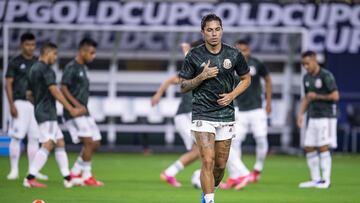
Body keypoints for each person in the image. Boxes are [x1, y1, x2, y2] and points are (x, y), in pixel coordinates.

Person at [179, 14, 251, 203]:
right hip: (202, 113)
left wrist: (232, 95)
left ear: (222, 30)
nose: (214, 34)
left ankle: (208, 193)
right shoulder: (194, 55)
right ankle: (210, 200)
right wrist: (201, 77)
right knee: (208, 161)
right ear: (203, 32)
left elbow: (246, 79)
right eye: (209, 30)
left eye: (217, 29)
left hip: (226, 115)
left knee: (220, 166)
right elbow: (183, 86)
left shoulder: (233, 54)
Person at [23, 42, 86, 188]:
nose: (56, 57)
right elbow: (55, 91)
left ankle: (68, 177)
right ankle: (30, 178)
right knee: (49, 143)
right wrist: (70, 108)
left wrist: (39, 104)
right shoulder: (46, 70)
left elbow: (28, 94)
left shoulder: (33, 68)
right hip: (47, 111)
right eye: (55, 54)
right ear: (47, 53)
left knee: (60, 142)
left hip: (40, 109)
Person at [220, 40, 272, 190]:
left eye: (245, 49)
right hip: (239, 110)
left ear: (249, 50)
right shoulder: (229, 64)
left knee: (261, 139)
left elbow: (268, 80)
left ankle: (257, 169)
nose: (243, 52)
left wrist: (268, 101)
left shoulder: (257, 64)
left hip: (257, 108)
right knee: (234, 143)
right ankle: (235, 176)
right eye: (239, 49)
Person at [152, 40, 202, 187]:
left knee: (199, 150)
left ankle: (169, 173)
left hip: (191, 115)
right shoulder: (193, 70)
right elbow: (169, 80)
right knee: (200, 149)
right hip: (185, 115)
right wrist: (158, 94)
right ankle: (170, 173)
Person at [61, 38, 103, 186]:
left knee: (96, 142)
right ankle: (87, 175)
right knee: (89, 142)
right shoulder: (71, 67)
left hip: (85, 112)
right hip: (74, 112)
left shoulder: (84, 68)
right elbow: (63, 88)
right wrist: (75, 105)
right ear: (82, 51)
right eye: (92, 53)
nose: (94, 56)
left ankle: (75, 171)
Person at [5, 33, 48, 181]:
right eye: (27, 45)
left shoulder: (38, 62)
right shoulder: (15, 62)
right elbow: (8, 84)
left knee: (35, 138)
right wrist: (11, 104)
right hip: (20, 103)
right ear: (21, 45)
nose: (30, 48)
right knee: (17, 137)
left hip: (35, 105)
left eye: (33, 45)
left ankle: (33, 171)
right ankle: (14, 170)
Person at [297, 51, 339, 189]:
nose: (306, 67)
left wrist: (318, 96)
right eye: (304, 64)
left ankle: (326, 180)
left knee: (323, 146)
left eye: (308, 63)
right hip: (313, 116)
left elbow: (335, 96)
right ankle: (315, 179)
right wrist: (300, 114)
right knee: (308, 146)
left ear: (315, 60)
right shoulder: (306, 78)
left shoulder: (326, 75)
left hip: (326, 116)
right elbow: (307, 98)